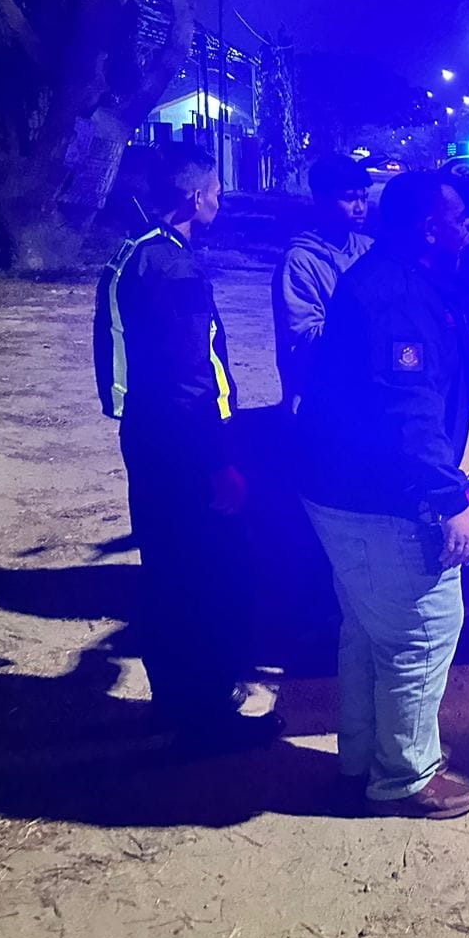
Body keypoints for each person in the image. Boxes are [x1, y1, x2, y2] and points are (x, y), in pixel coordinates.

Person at [298, 170, 469, 819]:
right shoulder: (397, 298)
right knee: (422, 631)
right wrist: (450, 498)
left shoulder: (392, 277)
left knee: (369, 631)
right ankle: (406, 775)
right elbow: (408, 410)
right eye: (460, 219)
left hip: (342, 486)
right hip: (380, 496)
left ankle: (364, 758)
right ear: (430, 228)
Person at [93, 142, 284, 750]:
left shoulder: (136, 251)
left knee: (167, 571)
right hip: (182, 441)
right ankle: (204, 715)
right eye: (216, 192)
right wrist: (219, 458)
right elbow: (193, 372)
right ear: (194, 197)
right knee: (200, 575)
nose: (219, 202)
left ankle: (177, 701)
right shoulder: (174, 269)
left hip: (148, 431)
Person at [272, 155, 374, 407]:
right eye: (349, 198)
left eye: (364, 198)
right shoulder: (300, 260)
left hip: (363, 393)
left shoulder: (369, 250)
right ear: (323, 201)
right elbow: (304, 338)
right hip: (318, 396)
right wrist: (367, 325)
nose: (360, 208)